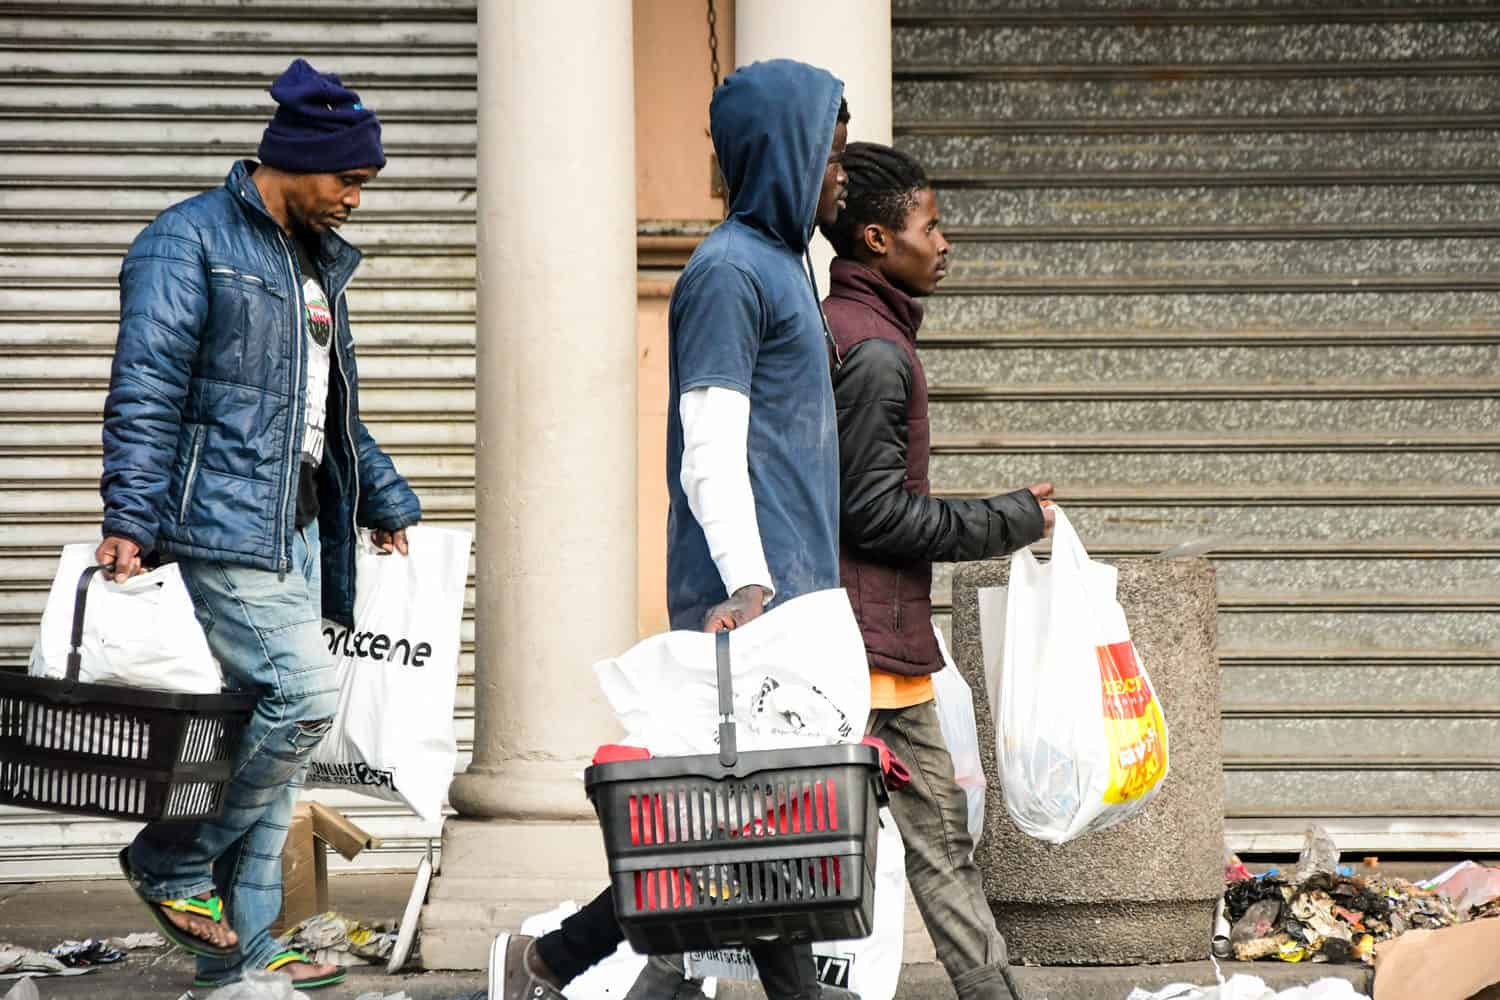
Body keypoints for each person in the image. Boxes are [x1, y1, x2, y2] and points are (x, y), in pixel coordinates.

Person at [491, 59, 854, 1000]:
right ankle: (565, 961)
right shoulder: (730, 274)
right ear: (786, 155)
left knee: (746, 828)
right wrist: (747, 580)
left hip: (792, 587)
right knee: (754, 825)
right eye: (831, 156)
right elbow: (709, 444)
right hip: (752, 595)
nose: (842, 177)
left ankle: (560, 962)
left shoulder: (782, 265)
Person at [97, 58, 421, 992]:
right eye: (348, 178)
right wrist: (131, 514)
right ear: (298, 160)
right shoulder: (186, 242)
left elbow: (331, 406)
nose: (356, 198)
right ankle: (171, 858)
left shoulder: (313, 261)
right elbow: (146, 387)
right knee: (301, 697)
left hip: (300, 524)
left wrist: (382, 495)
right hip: (220, 521)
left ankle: (235, 958)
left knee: (275, 743)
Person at [817, 142, 1055, 1000]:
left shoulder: (853, 330)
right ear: (878, 239)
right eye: (931, 224)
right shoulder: (875, 352)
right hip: (862, 646)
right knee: (820, 851)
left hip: (875, 640)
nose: (945, 241)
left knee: (931, 841)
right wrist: (1010, 519)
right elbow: (874, 513)